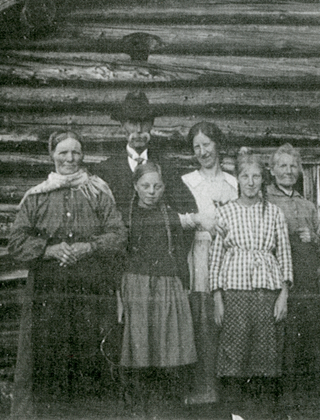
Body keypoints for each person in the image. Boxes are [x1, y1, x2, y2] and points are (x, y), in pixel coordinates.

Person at [8, 129, 127, 417]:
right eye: (63, 152)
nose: (70, 159)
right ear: (52, 155)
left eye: (75, 152)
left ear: (82, 155)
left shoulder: (97, 191)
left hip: (91, 286)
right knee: (51, 353)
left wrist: (88, 247)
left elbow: (119, 234)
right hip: (49, 289)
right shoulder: (36, 197)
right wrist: (50, 250)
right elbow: (16, 242)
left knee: (89, 353)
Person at [210, 148, 293, 419]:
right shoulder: (225, 212)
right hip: (234, 293)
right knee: (234, 354)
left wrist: (283, 295)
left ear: (263, 179)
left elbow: (284, 255)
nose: (250, 182)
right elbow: (215, 258)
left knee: (265, 355)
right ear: (238, 179)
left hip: (266, 293)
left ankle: (261, 414)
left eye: (256, 176)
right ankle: (235, 415)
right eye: (245, 176)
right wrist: (217, 298)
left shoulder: (274, 213)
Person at [117, 161, 197, 417]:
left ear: (164, 187)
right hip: (137, 286)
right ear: (135, 186)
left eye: (157, 186)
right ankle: (139, 409)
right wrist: (119, 294)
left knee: (168, 349)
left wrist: (182, 285)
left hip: (166, 285)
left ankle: (166, 410)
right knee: (141, 348)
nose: (151, 191)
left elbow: (182, 251)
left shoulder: (170, 216)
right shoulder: (125, 217)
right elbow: (118, 257)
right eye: (145, 186)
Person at [180, 121, 238, 406]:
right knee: (203, 322)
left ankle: (227, 394)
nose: (203, 151)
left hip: (229, 259)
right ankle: (203, 393)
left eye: (207, 144)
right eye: (197, 147)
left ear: (218, 145)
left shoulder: (233, 183)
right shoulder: (188, 182)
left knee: (227, 320)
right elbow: (180, 221)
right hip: (200, 255)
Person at [266, 143, 320, 410]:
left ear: (300, 170)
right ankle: (283, 407)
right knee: (284, 346)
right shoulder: (265, 201)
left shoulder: (308, 206)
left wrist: (313, 239)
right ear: (272, 170)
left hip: (307, 283)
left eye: (293, 166)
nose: (288, 172)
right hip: (277, 285)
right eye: (283, 166)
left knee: (311, 345)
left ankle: (310, 408)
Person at [95, 90, 197, 220]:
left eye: (144, 122)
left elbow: (188, 209)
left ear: (152, 124)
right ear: (122, 125)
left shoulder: (166, 168)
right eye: (132, 123)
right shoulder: (107, 169)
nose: (138, 130)